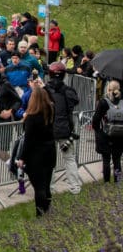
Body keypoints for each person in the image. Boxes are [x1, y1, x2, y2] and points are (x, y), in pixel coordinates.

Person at [16, 85, 56, 217]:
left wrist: (22, 157)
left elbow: (28, 140)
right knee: (46, 184)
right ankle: (47, 209)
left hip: (36, 155)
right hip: (49, 152)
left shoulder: (31, 118)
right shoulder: (50, 112)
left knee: (39, 187)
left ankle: (41, 213)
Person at [45, 62, 81, 194]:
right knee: (70, 158)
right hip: (65, 129)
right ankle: (75, 187)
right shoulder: (68, 91)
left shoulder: (45, 90)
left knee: (49, 161)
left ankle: (50, 188)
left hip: (49, 130)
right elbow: (76, 101)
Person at [93, 79, 123, 183]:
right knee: (117, 160)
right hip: (120, 135)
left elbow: (96, 119)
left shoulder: (104, 102)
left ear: (108, 89)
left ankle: (106, 182)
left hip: (106, 134)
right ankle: (118, 180)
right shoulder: (122, 102)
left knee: (106, 160)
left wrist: (98, 131)